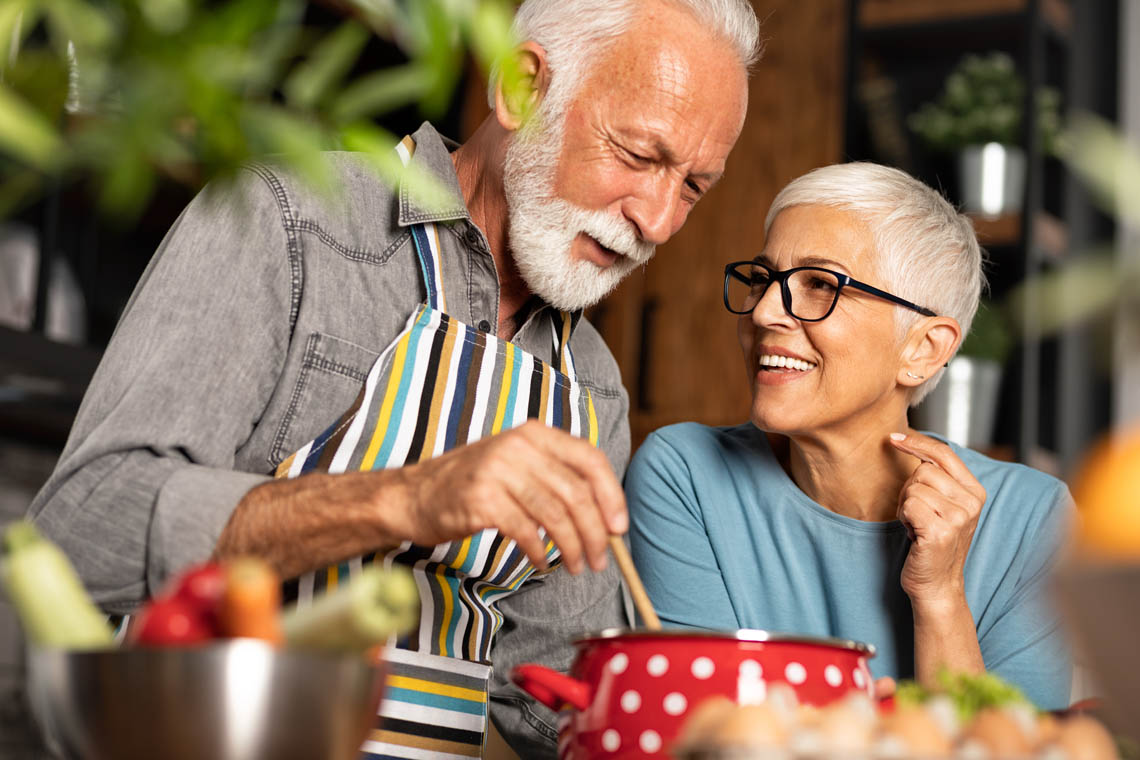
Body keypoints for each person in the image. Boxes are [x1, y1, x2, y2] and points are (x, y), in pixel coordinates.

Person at [27, 0, 758, 755]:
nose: (661, 221)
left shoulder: (591, 387)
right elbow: (80, 532)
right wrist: (404, 499)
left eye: (695, 187)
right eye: (639, 156)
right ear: (523, 91)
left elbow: (551, 698)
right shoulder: (283, 223)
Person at [625, 162, 1074, 710]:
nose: (765, 312)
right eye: (764, 279)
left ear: (923, 349)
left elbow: (1011, 751)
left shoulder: (1033, 519)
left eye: (820, 285)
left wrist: (939, 596)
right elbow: (702, 733)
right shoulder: (685, 474)